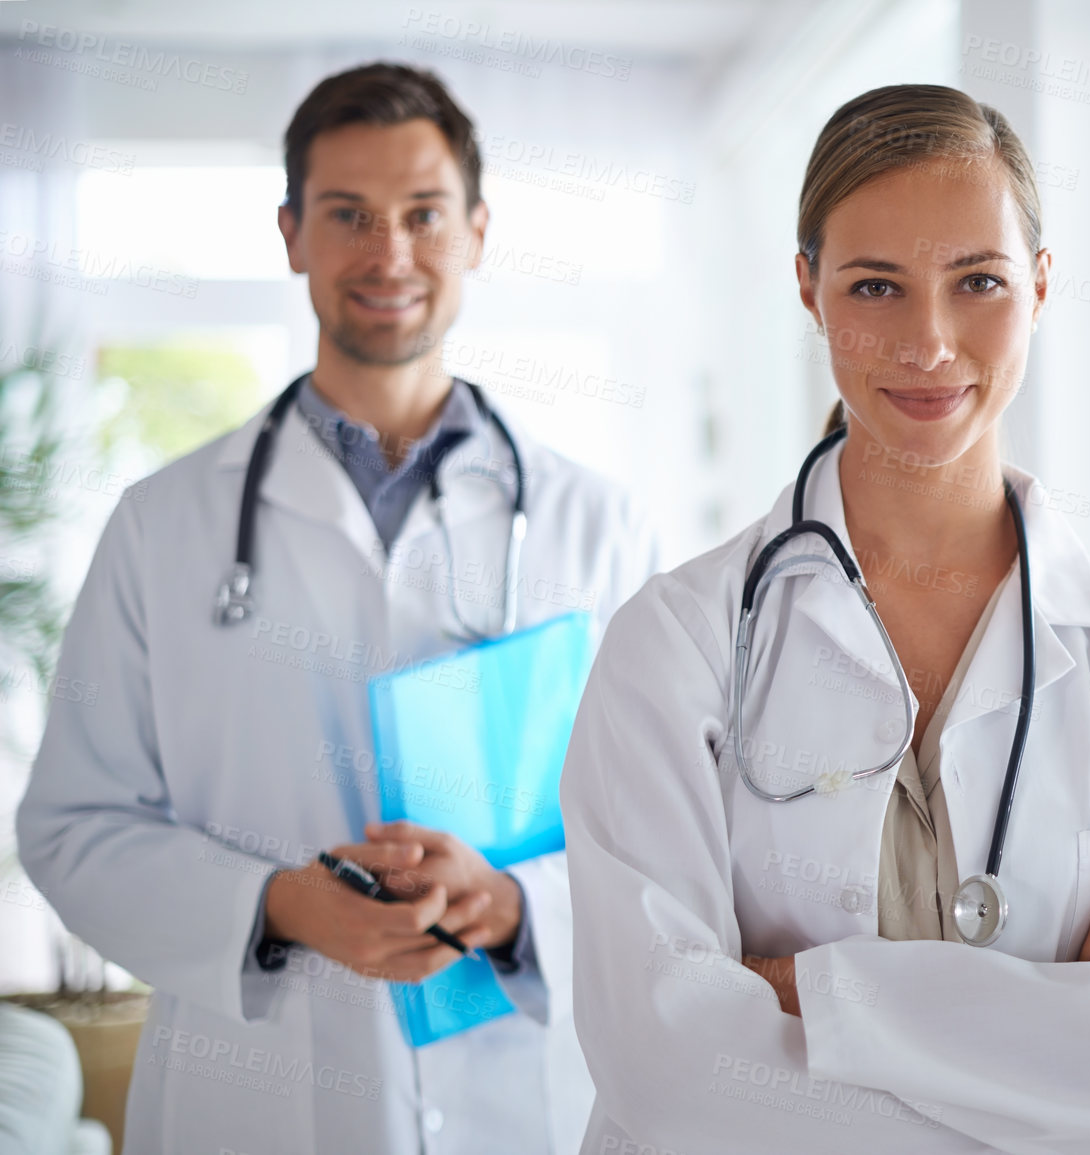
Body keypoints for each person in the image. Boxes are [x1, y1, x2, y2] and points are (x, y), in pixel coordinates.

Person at [559, 84, 1090, 1154]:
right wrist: (1053, 1024)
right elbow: (667, 1073)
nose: (928, 342)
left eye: (978, 281)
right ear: (807, 288)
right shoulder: (675, 643)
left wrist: (809, 995)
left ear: (1039, 285)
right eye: (874, 286)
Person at [17, 62, 657, 1155]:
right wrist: (273, 905)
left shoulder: (597, 526)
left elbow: (666, 838)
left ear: (477, 232)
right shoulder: (165, 525)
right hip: (254, 1102)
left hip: (523, 1102)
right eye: (349, 215)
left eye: (422, 215)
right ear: (290, 234)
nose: (389, 253)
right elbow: (70, 829)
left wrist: (511, 905)